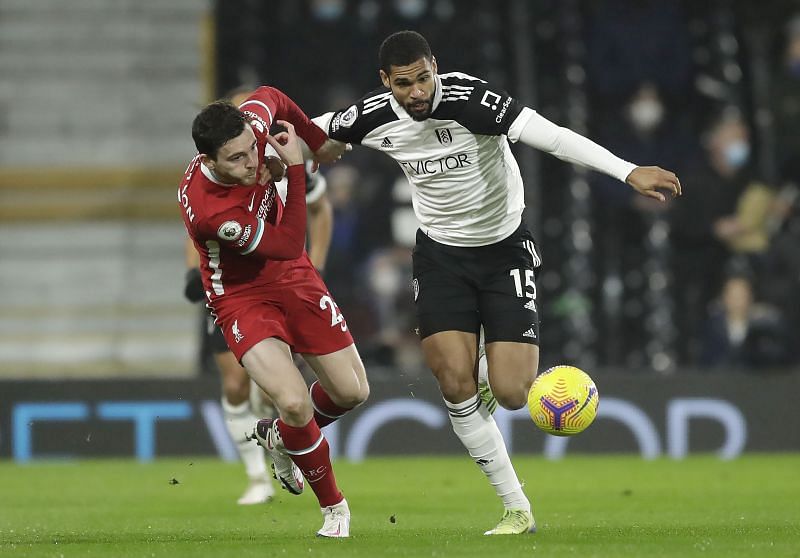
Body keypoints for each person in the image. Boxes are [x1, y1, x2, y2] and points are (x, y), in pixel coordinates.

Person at [315, 30, 680, 535]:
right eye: (405, 84)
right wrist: (279, 150)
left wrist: (627, 170)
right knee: (452, 381)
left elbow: (551, 136)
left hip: (503, 250)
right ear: (386, 81)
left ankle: (488, 370)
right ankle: (516, 509)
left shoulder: (472, 100)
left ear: (435, 67)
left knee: (512, 393)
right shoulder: (372, 116)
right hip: (440, 256)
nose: (418, 91)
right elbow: (307, 134)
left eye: (424, 78)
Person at [179, 87, 369, 538]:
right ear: (209, 161)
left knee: (352, 391)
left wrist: (314, 140)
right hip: (242, 295)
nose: (252, 162)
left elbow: (271, 96)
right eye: (238, 160)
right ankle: (335, 509)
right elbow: (284, 246)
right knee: (293, 401)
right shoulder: (212, 211)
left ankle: (282, 437)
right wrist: (298, 167)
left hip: (295, 279)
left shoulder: (252, 127)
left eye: (252, 148)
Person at [183, 161, 332, 506]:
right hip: (230, 290)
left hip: (284, 285)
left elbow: (321, 208)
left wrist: (318, 264)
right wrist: (193, 270)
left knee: (273, 393)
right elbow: (195, 225)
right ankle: (257, 478)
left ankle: (280, 440)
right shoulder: (213, 173)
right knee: (235, 383)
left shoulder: (288, 161)